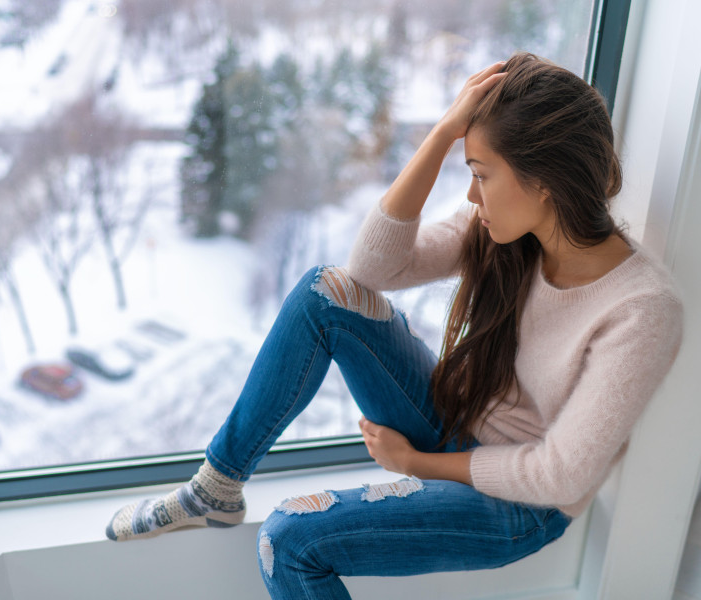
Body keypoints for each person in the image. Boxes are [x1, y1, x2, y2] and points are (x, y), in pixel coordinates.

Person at [105, 53, 683, 599]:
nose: (470, 193)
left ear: (544, 182)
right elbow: (371, 269)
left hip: (518, 503)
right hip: (457, 418)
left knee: (287, 540)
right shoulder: (502, 229)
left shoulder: (641, 309)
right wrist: (441, 135)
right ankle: (216, 486)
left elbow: (557, 476)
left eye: (481, 173)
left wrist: (416, 465)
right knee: (323, 291)